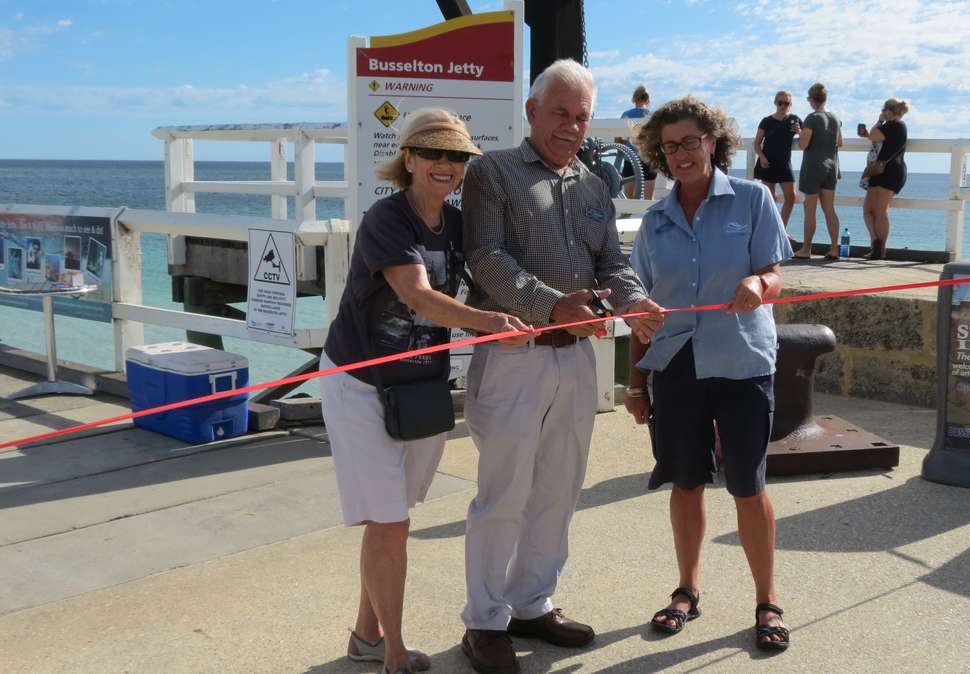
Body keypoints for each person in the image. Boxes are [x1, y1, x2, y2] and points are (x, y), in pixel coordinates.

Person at [460, 59, 665, 674]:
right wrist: (553, 306)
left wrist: (634, 301)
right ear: (530, 111)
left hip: (578, 359)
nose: (571, 127)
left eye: (580, 116)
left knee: (558, 489)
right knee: (503, 494)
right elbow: (483, 259)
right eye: (560, 113)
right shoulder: (489, 173)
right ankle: (484, 621)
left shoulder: (595, 186)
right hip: (514, 354)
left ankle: (532, 603)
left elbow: (613, 263)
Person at [319, 108, 531, 674]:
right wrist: (490, 326)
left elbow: (488, 285)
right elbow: (415, 294)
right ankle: (391, 653)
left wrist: (533, 313)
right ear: (408, 158)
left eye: (457, 157)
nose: (446, 165)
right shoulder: (385, 219)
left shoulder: (460, 226)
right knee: (390, 523)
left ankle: (366, 634)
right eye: (434, 153)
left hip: (421, 386)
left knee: (395, 518)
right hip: (360, 385)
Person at [628, 96, 793, 652]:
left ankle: (767, 601)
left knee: (748, 485)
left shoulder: (752, 198)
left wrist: (759, 286)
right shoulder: (653, 221)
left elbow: (774, 272)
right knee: (686, 482)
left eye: (690, 143)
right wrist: (634, 383)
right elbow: (641, 311)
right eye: (669, 147)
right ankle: (687, 592)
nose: (680, 155)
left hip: (743, 363)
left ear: (713, 142)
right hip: (676, 368)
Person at [794, 83, 844, 260]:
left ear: (813, 99)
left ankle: (806, 249)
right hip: (831, 167)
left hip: (813, 167)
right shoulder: (835, 118)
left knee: (810, 210)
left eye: (809, 99)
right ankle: (834, 249)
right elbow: (840, 142)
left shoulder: (812, 118)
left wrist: (799, 133)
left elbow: (803, 144)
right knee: (829, 209)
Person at [863, 98, 909, 260]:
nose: (883, 112)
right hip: (880, 170)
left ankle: (880, 249)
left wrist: (879, 121)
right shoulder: (897, 126)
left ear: (890, 111)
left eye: (884, 109)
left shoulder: (894, 126)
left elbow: (873, 135)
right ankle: (876, 243)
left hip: (888, 171)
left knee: (880, 210)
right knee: (868, 209)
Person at [752, 90, 801, 227]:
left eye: (786, 103)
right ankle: (771, 228)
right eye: (780, 102)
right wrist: (761, 157)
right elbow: (756, 143)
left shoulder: (794, 119)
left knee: (791, 196)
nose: (783, 106)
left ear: (790, 105)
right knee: (769, 198)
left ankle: (781, 228)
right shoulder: (767, 121)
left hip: (784, 163)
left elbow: (805, 140)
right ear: (775, 103)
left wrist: (799, 132)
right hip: (767, 162)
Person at [618, 84, 657, 199]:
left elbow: (618, 140)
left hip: (630, 159)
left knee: (629, 197)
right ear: (648, 99)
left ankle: (627, 215)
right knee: (649, 199)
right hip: (648, 159)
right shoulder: (652, 116)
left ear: (634, 99)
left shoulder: (626, 115)